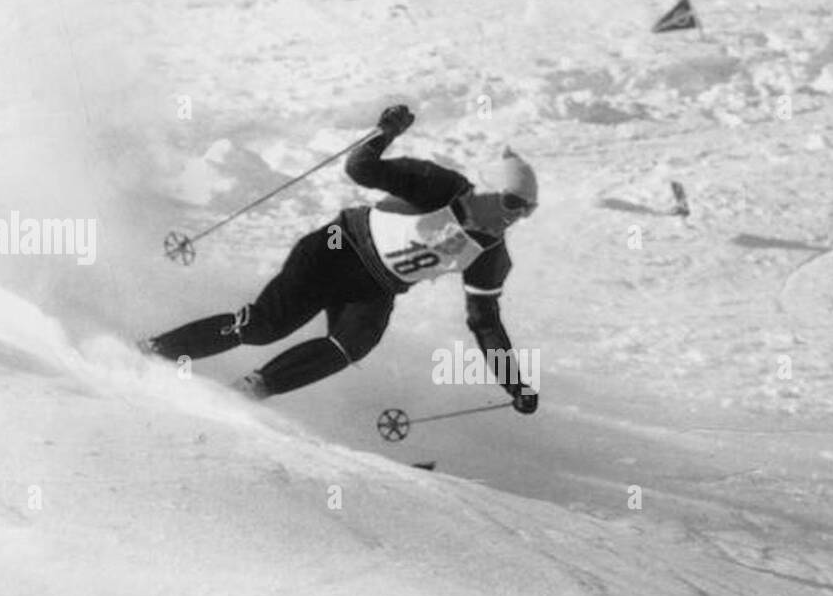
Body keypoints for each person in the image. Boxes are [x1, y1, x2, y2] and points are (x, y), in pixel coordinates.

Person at [141, 105, 540, 414]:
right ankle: (158, 350)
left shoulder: (490, 254)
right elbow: (361, 169)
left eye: (525, 212)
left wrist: (515, 384)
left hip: (375, 286)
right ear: (488, 189)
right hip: (337, 246)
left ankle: (252, 388)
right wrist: (385, 134)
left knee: (352, 344)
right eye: (511, 203)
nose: (514, 217)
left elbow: (485, 324)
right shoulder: (441, 186)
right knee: (264, 327)